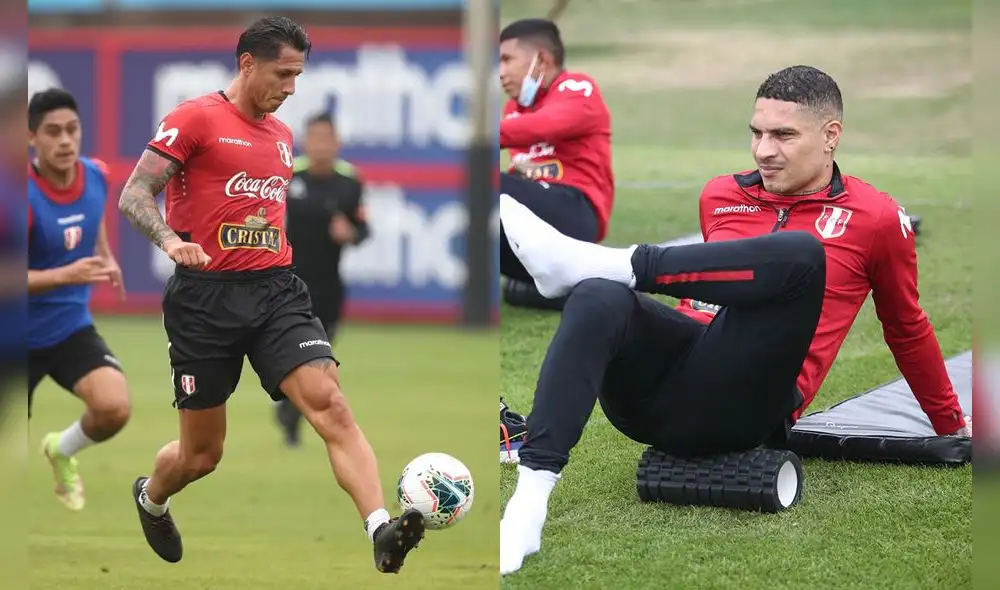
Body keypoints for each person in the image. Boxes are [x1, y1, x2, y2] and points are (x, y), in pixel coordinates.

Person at [497, 65, 971, 575]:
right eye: (757, 132)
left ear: (831, 135)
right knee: (596, 297)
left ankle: (600, 261)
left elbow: (906, 326)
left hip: (750, 410)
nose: (764, 150)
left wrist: (951, 425)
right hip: (655, 400)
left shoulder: (876, 218)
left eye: (783, 135)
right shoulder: (721, 195)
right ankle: (528, 502)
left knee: (799, 256)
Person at [116, 17, 424, 573]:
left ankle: (380, 529)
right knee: (202, 455)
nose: (291, 87)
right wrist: (170, 240)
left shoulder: (283, 137)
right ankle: (152, 498)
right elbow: (135, 192)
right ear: (247, 63)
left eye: (298, 75)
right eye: (283, 73)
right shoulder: (193, 119)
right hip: (204, 300)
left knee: (331, 403)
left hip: (276, 290)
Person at [498, 18, 614, 457]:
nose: (502, 72)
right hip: (537, 218)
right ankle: (577, 284)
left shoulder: (577, 88)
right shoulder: (514, 111)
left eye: (507, 59)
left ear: (541, 60)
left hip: (575, 213)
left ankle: (581, 276)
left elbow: (544, 127)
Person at [27, 88, 131, 512]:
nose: (66, 140)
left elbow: (92, 219)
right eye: (53, 132)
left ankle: (61, 449)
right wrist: (64, 275)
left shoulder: (96, 175)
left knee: (114, 408)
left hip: (69, 329)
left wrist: (105, 256)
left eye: (72, 130)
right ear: (31, 138)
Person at [275, 112, 370, 448]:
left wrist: (350, 234)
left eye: (326, 139)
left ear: (336, 143)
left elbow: (363, 229)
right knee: (302, 355)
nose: (319, 146)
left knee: (320, 353)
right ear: (305, 142)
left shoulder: (349, 182)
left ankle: (288, 407)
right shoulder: (287, 177)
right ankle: (292, 413)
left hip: (329, 286)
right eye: (313, 138)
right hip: (287, 282)